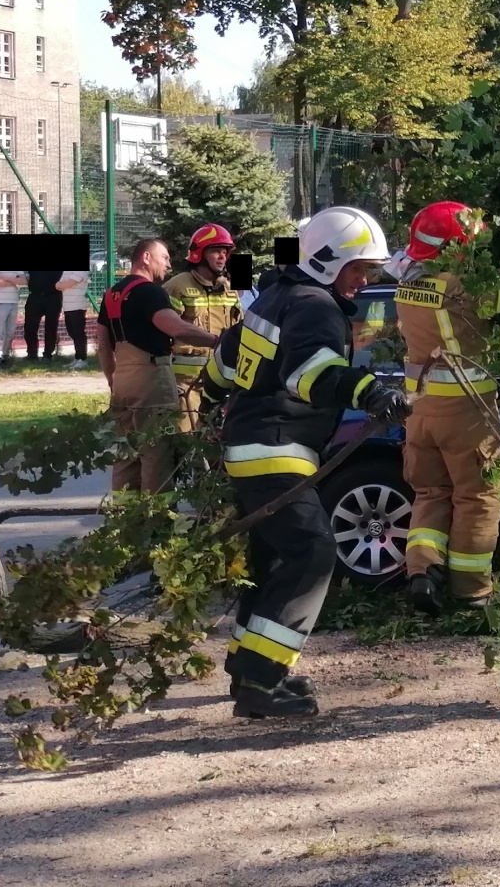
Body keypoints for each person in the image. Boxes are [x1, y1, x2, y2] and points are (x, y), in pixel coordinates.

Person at [199, 207, 409, 719]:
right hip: (278, 449)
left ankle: (247, 666)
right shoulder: (316, 305)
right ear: (326, 261)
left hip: (248, 449)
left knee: (271, 562)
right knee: (312, 555)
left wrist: (211, 400)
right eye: (358, 269)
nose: (364, 280)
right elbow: (310, 373)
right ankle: (262, 685)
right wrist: (372, 392)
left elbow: (220, 370)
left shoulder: (270, 297)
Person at [388, 205, 500, 615]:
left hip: (420, 412)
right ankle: (471, 593)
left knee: (431, 493)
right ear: (457, 244)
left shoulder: (407, 284)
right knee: (478, 497)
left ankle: (422, 572)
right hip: (465, 412)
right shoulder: (460, 287)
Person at [97, 239, 219, 495]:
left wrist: (113, 380)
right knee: (157, 455)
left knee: (126, 454)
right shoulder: (150, 291)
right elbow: (176, 327)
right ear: (145, 258)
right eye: (163, 257)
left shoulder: (111, 294)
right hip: (151, 379)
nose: (168, 263)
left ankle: (124, 517)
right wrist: (218, 341)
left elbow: (103, 345)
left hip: (123, 381)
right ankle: (157, 521)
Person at [163, 223, 242, 432]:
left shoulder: (229, 289)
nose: (222, 256)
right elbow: (164, 331)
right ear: (199, 253)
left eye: (225, 252)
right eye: (215, 250)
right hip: (186, 384)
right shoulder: (177, 286)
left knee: (216, 443)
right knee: (186, 441)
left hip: (221, 382)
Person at [0, 271, 25, 366]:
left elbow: (24, 281)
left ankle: (6, 355)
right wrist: (15, 281)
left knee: (10, 331)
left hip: (13, 301)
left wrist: (7, 278)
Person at [24, 271, 64, 362]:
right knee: (29, 326)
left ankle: (48, 354)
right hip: (35, 295)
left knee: (51, 327)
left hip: (54, 296)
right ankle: (32, 353)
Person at [58, 267, 92, 368]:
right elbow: (60, 284)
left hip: (78, 306)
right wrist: (60, 285)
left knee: (78, 333)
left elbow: (68, 283)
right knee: (71, 332)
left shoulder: (81, 270)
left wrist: (61, 285)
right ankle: (77, 358)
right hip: (67, 306)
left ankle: (83, 359)